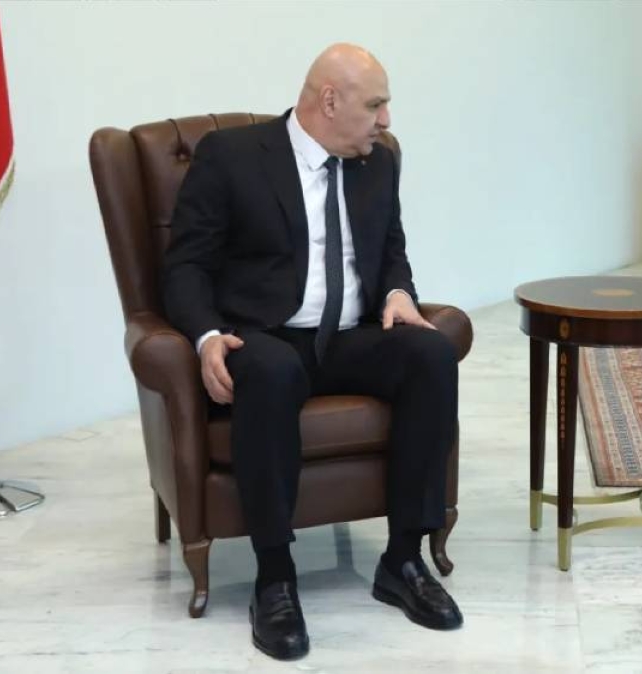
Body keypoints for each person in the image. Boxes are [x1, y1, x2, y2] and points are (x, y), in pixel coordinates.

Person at [163, 43, 462, 661]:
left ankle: (403, 560)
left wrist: (399, 293)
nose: (386, 121)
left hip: (350, 335)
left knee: (431, 356)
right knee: (271, 372)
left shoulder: (378, 163)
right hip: (264, 336)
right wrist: (207, 336)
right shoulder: (233, 157)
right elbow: (186, 266)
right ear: (329, 100)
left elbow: (391, 250)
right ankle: (274, 578)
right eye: (375, 105)